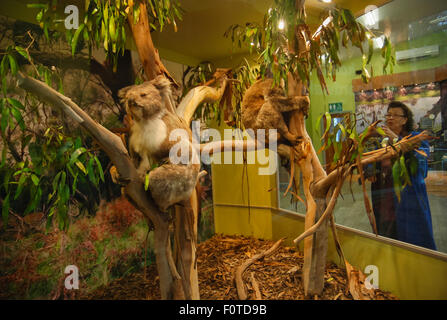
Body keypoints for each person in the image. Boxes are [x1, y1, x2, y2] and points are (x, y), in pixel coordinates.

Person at [370, 101, 437, 250]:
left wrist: (396, 139)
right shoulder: (382, 140)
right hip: (385, 195)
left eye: (395, 115)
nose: (390, 118)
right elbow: (373, 160)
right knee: (387, 232)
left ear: (405, 119)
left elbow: (419, 164)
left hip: (409, 196)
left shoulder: (416, 138)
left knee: (413, 236)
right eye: (388, 114)